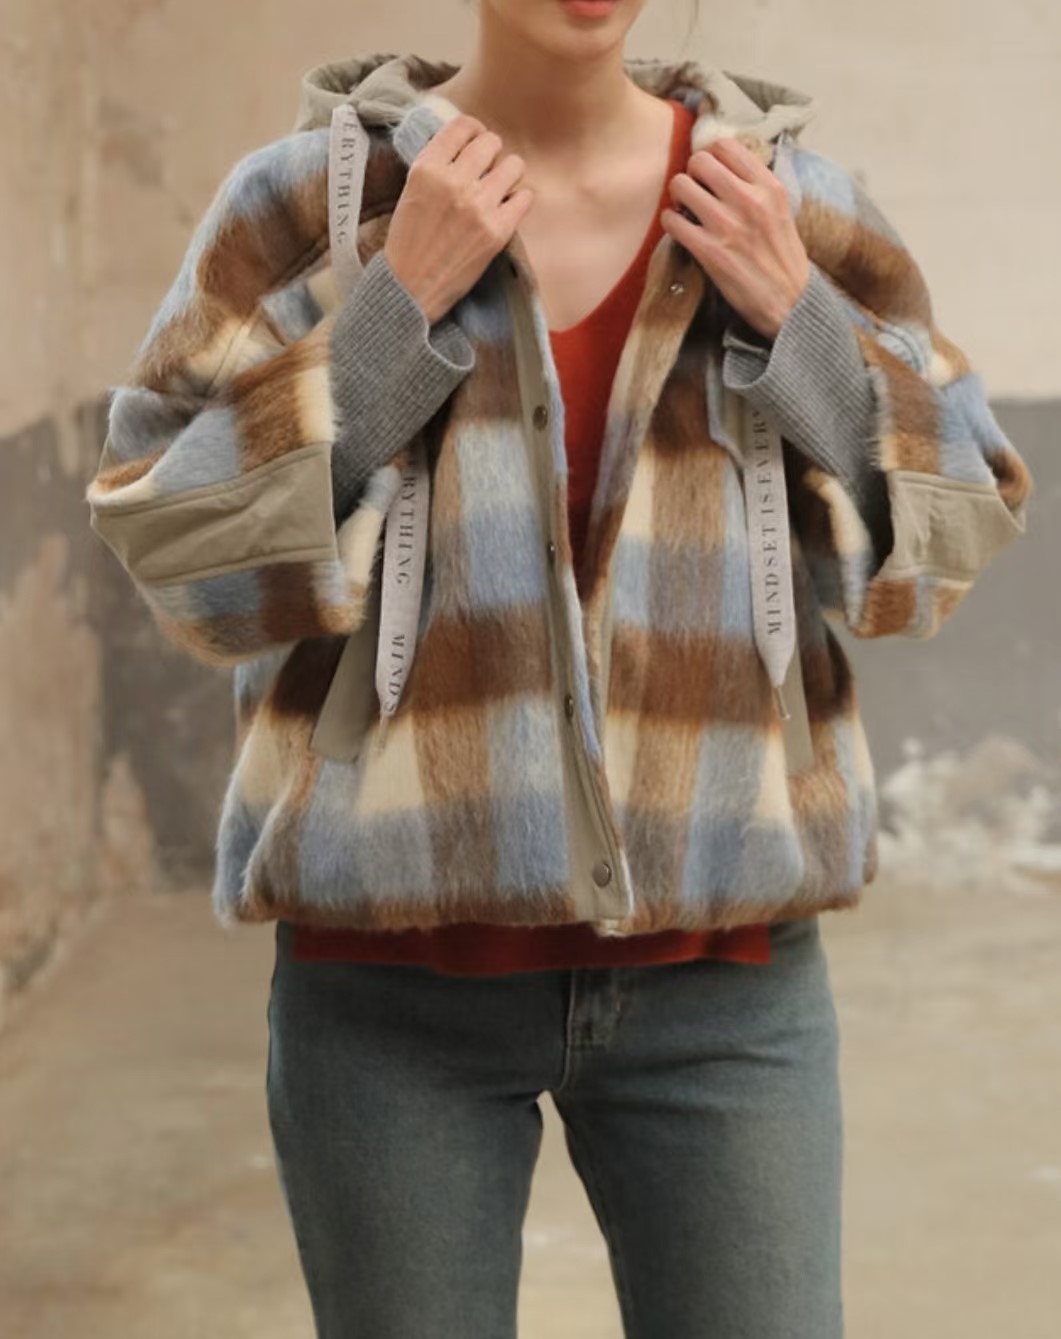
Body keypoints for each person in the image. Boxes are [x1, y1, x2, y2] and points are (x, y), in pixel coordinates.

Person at [85, 2, 1034, 1335]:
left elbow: (952, 541)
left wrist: (804, 326)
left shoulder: (783, 207)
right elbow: (180, 562)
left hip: (723, 991)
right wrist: (387, 316)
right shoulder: (310, 204)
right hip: (386, 999)